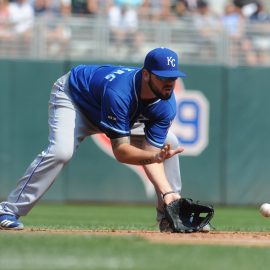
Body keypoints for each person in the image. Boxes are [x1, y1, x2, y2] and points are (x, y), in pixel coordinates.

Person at [0, 47, 186, 232]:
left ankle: (171, 214)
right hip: (76, 99)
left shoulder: (166, 103)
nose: (169, 82)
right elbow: (121, 152)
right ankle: (8, 211)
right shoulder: (120, 91)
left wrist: (167, 190)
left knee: (170, 142)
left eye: (173, 77)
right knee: (61, 152)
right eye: (163, 77)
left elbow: (153, 154)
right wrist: (153, 157)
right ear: (146, 74)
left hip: (114, 111)